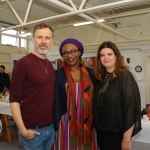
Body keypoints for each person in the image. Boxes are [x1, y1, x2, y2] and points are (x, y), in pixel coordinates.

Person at [9, 22, 56, 150]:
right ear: (33, 39)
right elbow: (13, 100)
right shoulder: (23, 64)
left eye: (47, 38)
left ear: (52, 41)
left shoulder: (50, 66)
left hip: (50, 128)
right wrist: (23, 131)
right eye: (40, 37)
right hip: (32, 131)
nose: (43, 41)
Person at [93, 41, 141, 150]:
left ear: (116, 56)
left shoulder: (125, 77)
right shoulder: (100, 78)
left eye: (109, 54)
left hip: (118, 136)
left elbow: (131, 110)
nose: (106, 58)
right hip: (101, 135)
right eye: (102, 55)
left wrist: (126, 140)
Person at [54, 38, 97, 150]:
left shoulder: (92, 73)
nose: (69, 55)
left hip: (87, 122)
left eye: (73, 51)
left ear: (79, 52)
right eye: (65, 52)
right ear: (62, 55)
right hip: (65, 123)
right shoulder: (57, 75)